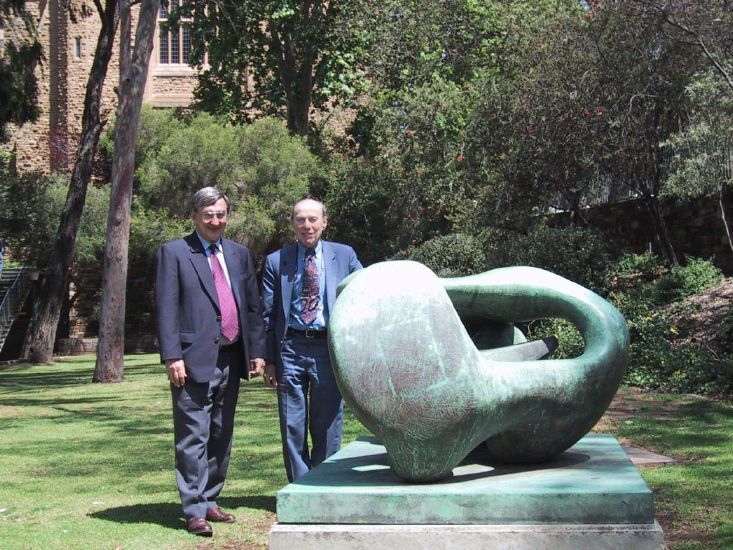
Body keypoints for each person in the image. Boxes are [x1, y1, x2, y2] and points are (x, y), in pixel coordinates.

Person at [155, 187, 266, 536]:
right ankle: (193, 509)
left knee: (221, 433)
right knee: (193, 435)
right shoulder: (173, 253)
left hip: (232, 358)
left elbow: (251, 306)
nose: (215, 221)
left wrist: (258, 351)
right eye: (208, 215)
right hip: (191, 359)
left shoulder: (239, 254)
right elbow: (166, 308)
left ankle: (211, 499)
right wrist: (172, 355)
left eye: (220, 214)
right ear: (195, 216)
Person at [262, 198, 362, 482]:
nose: (307, 225)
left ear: (324, 222)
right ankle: (300, 485)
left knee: (328, 420)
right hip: (289, 348)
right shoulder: (275, 261)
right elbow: (267, 315)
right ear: (293, 224)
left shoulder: (345, 256)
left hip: (328, 348)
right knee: (292, 422)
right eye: (300, 220)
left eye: (313, 219)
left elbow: (362, 298)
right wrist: (269, 360)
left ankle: (325, 482)